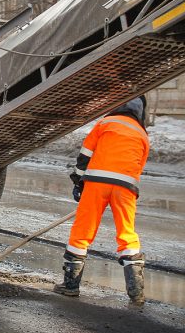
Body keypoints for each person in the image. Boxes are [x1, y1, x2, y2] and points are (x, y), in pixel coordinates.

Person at [57, 96, 149, 304]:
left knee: (83, 231)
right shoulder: (142, 133)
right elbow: (139, 165)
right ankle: (136, 292)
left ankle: (70, 286)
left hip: (97, 182)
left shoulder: (106, 123)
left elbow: (86, 154)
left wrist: (78, 182)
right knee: (127, 233)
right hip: (126, 187)